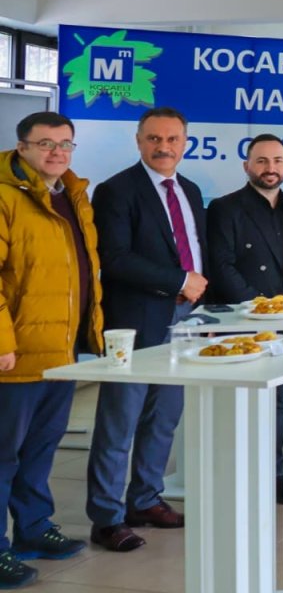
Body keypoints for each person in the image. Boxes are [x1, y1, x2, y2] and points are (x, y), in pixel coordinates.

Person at [88, 107, 207, 552]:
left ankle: (144, 499)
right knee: (120, 422)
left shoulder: (190, 190)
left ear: (185, 142)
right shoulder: (117, 191)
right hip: (135, 323)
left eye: (172, 139)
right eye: (154, 139)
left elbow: (195, 249)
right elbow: (115, 258)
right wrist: (179, 281)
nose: (164, 147)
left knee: (164, 417)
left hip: (185, 322)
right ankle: (106, 516)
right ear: (139, 142)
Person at [0, 112, 102, 587]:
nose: (57, 152)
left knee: (41, 450)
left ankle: (34, 529)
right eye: (46, 144)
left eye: (65, 144)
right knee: (4, 454)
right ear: (22, 148)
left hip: (58, 352)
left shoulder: (72, 196)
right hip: (14, 354)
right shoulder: (4, 196)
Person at [206, 133, 283, 505]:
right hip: (239, 320)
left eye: (277, 161)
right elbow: (220, 265)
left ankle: (274, 473)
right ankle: (234, 473)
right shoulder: (225, 208)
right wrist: (256, 307)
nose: (270, 168)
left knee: (281, 402)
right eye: (261, 161)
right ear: (247, 166)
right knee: (237, 402)